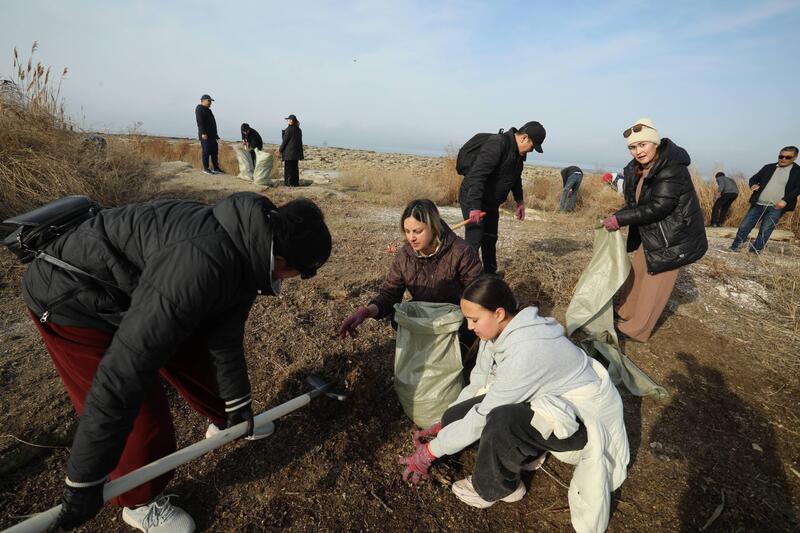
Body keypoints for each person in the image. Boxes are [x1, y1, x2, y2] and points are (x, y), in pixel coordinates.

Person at [23, 192, 332, 532]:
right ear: (284, 262)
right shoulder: (202, 263)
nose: (293, 282)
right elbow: (122, 374)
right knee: (144, 415)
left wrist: (237, 403)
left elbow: (224, 334)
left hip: (133, 290)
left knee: (197, 357)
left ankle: (225, 421)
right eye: (301, 274)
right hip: (70, 298)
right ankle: (138, 502)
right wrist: (82, 482)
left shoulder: (249, 245)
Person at [399, 275, 629, 532]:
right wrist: (442, 424)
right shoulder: (501, 331)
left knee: (501, 421)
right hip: (553, 404)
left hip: (582, 428)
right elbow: (477, 382)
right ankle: (525, 448)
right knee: (455, 417)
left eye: (474, 319)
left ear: (498, 313)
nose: (470, 326)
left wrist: (429, 453)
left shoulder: (527, 351)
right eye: (467, 319)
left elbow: (482, 417)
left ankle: (499, 488)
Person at [601, 118, 707, 342]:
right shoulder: (639, 169)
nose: (638, 151)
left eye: (642, 145)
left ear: (655, 143)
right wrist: (616, 215)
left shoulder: (671, 168)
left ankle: (637, 329)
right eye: (632, 147)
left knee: (654, 283)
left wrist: (620, 219)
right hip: (654, 234)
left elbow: (660, 207)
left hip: (675, 237)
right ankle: (625, 313)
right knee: (637, 271)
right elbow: (637, 204)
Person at [338, 199, 482, 355]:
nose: (411, 238)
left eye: (418, 231)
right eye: (407, 231)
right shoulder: (404, 256)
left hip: (456, 321)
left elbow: (477, 295)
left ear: (434, 227)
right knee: (397, 319)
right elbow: (390, 294)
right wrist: (365, 312)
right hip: (423, 317)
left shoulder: (461, 251)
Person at [459, 121, 546, 274]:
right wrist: (474, 207)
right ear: (524, 138)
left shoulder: (518, 154)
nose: (530, 151)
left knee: (491, 238)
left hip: (491, 202)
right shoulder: (498, 144)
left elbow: (515, 178)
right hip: (473, 197)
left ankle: (490, 275)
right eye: (532, 147)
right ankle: (465, 279)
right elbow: (477, 176)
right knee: (475, 238)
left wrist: (520, 201)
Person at [729, 146, 800, 253]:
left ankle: (755, 251)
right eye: (781, 156)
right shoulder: (768, 167)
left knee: (765, 230)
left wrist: (785, 200)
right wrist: (753, 185)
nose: (783, 159)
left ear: (795, 157)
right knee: (744, 226)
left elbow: (798, 189)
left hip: (776, 207)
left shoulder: (797, 171)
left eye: (787, 157)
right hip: (758, 204)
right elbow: (754, 178)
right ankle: (735, 247)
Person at [195, 94, 223, 175]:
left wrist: (216, 135)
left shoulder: (208, 110)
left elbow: (212, 123)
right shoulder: (199, 108)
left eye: (211, 101)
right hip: (205, 135)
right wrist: (203, 133)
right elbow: (200, 122)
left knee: (214, 152)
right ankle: (206, 168)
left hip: (212, 136)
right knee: (206, 152)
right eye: (209, 101)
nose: (210, 102)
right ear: (203, 100)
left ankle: (216, 168)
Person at [279, 114, 304, 187]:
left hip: (289, 153)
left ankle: (288, 184)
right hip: (296, 153)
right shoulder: (298, 130)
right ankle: (295, 183)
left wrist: (280, 150)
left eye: (289, 120)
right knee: (295, 169)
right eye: (288, 120)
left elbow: (285, 141)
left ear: (293, 121)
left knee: (288, 169)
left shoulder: (289, 129)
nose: (288, 121)